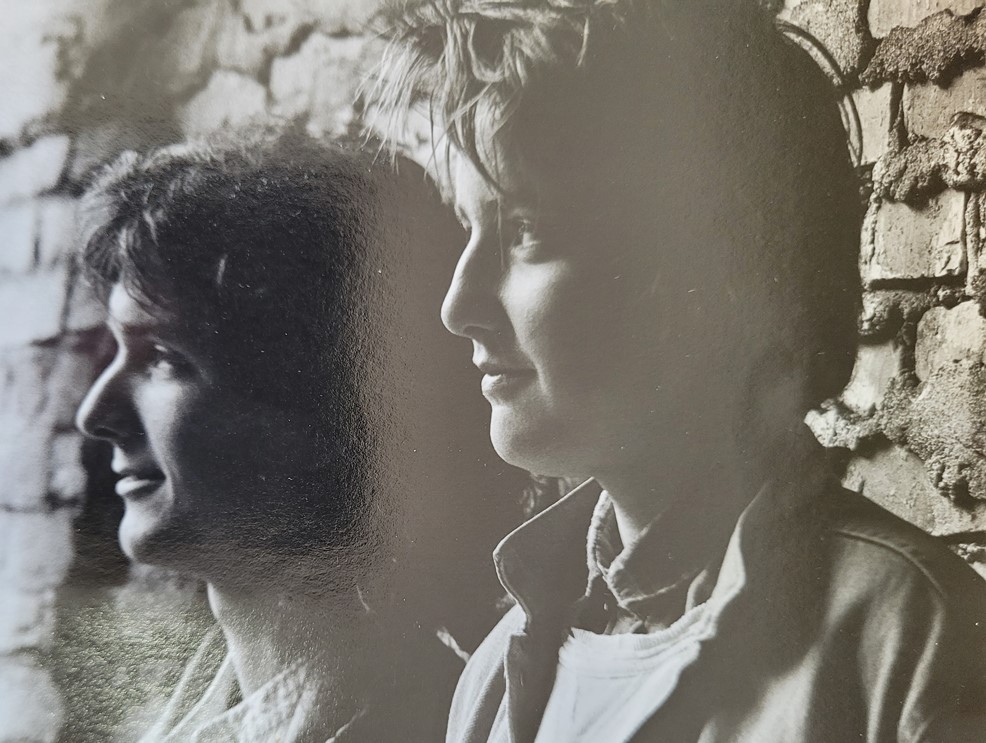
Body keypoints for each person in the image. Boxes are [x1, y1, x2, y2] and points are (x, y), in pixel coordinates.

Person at [367, 1, 986, 741]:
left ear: (716, 268)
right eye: (469, 228)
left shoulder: (911, 647)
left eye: (526, 231)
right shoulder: (495, 679)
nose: (457, 305)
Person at [74, 128, 532, 742]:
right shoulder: (216, 701)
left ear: (324, 408)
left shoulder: (418, 722)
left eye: (164, 356)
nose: (95, 413)